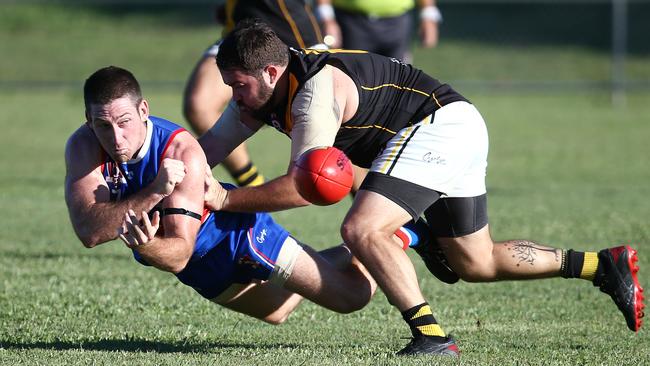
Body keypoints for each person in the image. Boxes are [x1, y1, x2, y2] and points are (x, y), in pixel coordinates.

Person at [199, 20, 645, 356]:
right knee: (476, 261)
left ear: (273, 72)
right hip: (455, 128)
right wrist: (159, 178)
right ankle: (600, 265)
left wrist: (223, 198)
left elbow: (304, 188)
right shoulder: (266, 91)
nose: (234, 97)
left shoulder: (313, 95)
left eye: (239, 86)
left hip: (439, 127)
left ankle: (431, 335)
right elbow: (210, 148)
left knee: (362, 229)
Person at [65, 66, 430, 325]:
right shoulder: (83, 145)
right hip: (201, 265)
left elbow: (177, 253)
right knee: (278, 311)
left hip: (240, 236)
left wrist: (144, 242)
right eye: (102, 124)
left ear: (143, 111)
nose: (115, 138)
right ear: (87, 120)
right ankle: (331, 259)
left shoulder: (180, 153)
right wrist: (154, 193)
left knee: (352, 297)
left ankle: (399, 235)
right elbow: (88, 230)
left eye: (124, 122)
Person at [183, 0, 325, 187]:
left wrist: (326, 11)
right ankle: (252, 184)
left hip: (288, 30)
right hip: (240, 33)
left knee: (336, 129)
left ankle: (369, 200)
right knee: (200, 104)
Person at [315, 0, 441, 63]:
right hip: (352, 23)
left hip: (397, 22)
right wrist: (327, 19)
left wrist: (428, 15)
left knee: (398, 80)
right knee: (356, 79)